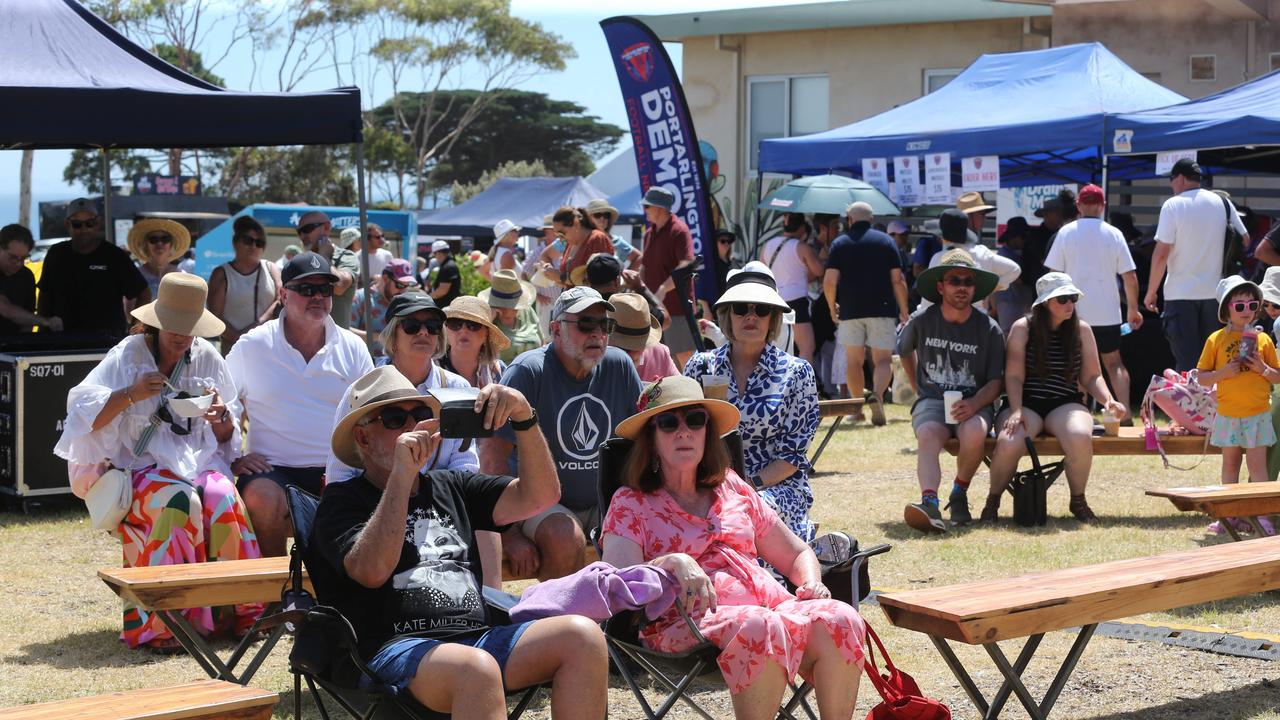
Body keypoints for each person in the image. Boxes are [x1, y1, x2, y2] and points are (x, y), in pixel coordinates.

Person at [312, 366, 607, 718]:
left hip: (478, 638)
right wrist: (402, 479)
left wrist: (525, 418)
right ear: (363, 438)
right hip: (395, 649)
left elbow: (540, 496)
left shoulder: (452, 485)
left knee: (583, 637)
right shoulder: (343, 500)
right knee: (476, 669)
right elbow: (371, 571)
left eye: (419, 414)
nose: (411, 426)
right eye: (393, 418)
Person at [601, 375, 864, 720]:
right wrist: (673, 561)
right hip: (683, 625)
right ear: (651, 438)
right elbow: (617, 584)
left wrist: (811, 582)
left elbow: (796, 553)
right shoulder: (631, 503)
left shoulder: (732, 486)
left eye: (695, 420)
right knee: (761, 625)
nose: (684, 431)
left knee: (841, 618)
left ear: (707, 432)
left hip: (769, 609)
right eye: (668, 423)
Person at [54, 273, 260, 651]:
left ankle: (241, 612)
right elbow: (84, 416)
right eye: (174, 328)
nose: (183, 336)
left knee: (222, 497)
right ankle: (165, 622)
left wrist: (220, 418)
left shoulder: (207, 357)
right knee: (180, 501)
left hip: (196, 462)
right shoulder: (129, 355)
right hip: (140, 467)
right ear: (155, 322)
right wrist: (131, 394)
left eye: (190, 329)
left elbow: (228, 436)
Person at [480, 287, 643, 581]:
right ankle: (554, 625)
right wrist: (509, 533)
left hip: (603, 502)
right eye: (585, 324)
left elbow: (641, 441)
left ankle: (621, 625)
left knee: (650, 527)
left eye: (604, 325)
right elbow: (493, 456)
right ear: (556, 330)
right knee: (564, 537)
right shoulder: (528, 371)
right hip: (540, 502)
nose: (597, 333)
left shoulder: (620, 366)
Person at [226, 252, 373, 556]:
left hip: (339, 468)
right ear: (283, 294)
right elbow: (224, 402)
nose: (318, 297)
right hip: (272, 469)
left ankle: (331, 596)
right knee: (262, 500)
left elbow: (371, 413)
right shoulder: (252, 345)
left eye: (325, 289)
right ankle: (277, 595)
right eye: (307, 289)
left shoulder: (353, 346)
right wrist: (233, 457)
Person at [684, 264, 820, 542]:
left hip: (775, 487)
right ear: (727, 315)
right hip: (705, 484)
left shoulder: (797, 373)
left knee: (742, 516)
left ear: (773, 319)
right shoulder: (701, 366)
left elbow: (792, 456)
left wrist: (747, 486)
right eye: (741, 308)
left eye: (761, 309)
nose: (751, 316)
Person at [985, 273, 1125, 524]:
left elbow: (1093, 376)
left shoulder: (1082, 329)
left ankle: (1078, 500)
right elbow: (1014, 376)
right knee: (1009, 441)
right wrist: (1016, 410)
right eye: (1062, 299)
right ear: (1045, 303)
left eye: (1072, 298)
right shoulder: (1022, 327)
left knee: (1081, 436)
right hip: (1026, 401)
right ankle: (992, 501)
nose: (1069, 304)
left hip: (1065, 401)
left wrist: (1108, 400)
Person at [897, 249, 1005, 532]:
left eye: (968, 282)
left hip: (976, 401)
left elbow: (996, 382)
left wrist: (974, 404)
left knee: (974, 433)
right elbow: (904, 350)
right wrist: (916, 383)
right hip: (932, 399)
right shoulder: (922, 320)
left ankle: (959, 493)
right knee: (929, 435)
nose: (962, 287)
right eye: (954, 280)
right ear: (940, 287)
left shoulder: (989, 328)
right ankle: (930, 503)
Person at [1044, 184, 1143, 421]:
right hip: (1107, 312)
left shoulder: (1065, 233)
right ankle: (1126, 413)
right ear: (1102, 206)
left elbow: (1052, 275)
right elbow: (1129, 276)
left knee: (1076, 366)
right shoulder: (1114, 233)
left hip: (1072, 312)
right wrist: (1133, 309)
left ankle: (1081, 415)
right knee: (1114, 364)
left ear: (1078, 206)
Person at [1145, 159, 1251, 371]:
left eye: (1172, 181)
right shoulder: (1222, 203)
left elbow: (1161, 255)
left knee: (1187, 363)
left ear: (1181, 179)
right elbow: (1245, 239)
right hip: (1215, 295)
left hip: (1180, 294)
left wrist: (1151, 292)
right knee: (1214, 360)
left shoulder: (1173, 205)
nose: (1172, 186)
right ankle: (1214, 404)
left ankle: (1191, 404)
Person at [1197, 276, 1279, 535]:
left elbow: (1277, 375)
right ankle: (1229, 514)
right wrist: (1224, 373)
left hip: (1257, 413)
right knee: (1230, 466)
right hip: (1229, 413)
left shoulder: (1263, 340)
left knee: (1258, 468)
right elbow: (1202, 377)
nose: (1247, 311)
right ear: (1226, 310)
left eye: (1252, 305)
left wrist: (1262, 369)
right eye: (1239, 306)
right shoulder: (1215, 340)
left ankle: (1261, 515)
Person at [824, 202, 909, 426]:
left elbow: (830, 281)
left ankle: (857, 407)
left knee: (854, 360)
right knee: (882, 360)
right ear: (871, 220)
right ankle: (878, 396)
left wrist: (832, 307)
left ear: (849, 220)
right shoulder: (886, 241)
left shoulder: (839, 244)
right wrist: (904, 309)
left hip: (850, 311)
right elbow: (897, 280)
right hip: (882, 308)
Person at [38, 198, 150, 341]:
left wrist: (135, 330)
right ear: (68, 224)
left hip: (107, 343)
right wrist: (42, 331)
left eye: (90, 223)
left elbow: (143, 291)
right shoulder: (56, 254)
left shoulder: (114, 256)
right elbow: (44, 295)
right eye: (77, 224)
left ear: (99, 223)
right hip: (62, 340)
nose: (84, 229)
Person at [639, 187, 699, 368]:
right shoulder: (649, 234)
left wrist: (663, 289)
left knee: (685, 359)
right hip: (655, 311)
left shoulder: (679, 230)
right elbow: (645, 266)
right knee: (660, 361)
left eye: (647, 206)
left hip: (677, 309)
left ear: (660, 208)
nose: (645, 210)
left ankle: (696, 395)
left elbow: (686, 264)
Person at [923, 209, 1020, 316]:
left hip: (946, 318)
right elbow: (1014, 270)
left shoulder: (938, 257)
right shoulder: (982, 253)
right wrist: (987, 290)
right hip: (978, 317)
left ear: (942, 236)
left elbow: (928, 301)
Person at [758, 211, 824, 367]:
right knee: (806, 346)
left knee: (776, 346)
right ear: (802, 227)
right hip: (795, 301)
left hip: (773, 300)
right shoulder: (802, 247)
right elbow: (819, 271)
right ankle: (802, 384)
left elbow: (762, 270)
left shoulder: (768, 245)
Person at [207, 215, 281, 353]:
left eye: (259, 243)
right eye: (248, 240)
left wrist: (259, 324)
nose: (253, 246)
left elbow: (281, 299)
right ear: (235, 243)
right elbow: (215, 316)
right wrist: (238, 338)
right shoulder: (221, 274)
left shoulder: (271, 269)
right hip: (233, 348)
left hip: (269, 345)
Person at [295, 211, 359, 329]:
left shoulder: (345, 257)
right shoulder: (300, 261)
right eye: (299, 232)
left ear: (326, 228)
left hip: (335, 343)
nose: (302, 236)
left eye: (307, 229)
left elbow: (339, 286)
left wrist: (323, 257)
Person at [0, 224, 61, 335]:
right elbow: (5, 308)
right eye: (13, 257)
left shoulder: (26, 276)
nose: (18, 263)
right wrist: (45, 321)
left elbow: (27, 322)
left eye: (23, 258)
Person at [351, 258, 419, 356]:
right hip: (367, 362)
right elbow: (346, 331)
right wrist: (381, 337)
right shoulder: (361, 298)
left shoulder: (403, 302)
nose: (403, 291)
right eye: (399, 285)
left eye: (406, 286)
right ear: (385, 278)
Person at [441, 296, 509, 388]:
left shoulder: (498, 370)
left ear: (486, 334)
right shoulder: (430, 369)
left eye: (473, 325)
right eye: (455, 323)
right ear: (446, 330)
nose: (463, 330)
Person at [610, 291, 679, 381]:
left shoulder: (659, 353)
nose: (628, 355)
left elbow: (681, 388)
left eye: (635, 346)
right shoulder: (594, 358)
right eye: (623, 347)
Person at [479, 269, 543, 363]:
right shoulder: (488, 321)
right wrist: (489, 322)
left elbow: (542, 343)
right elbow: (478, 353)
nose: (514, 309)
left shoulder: (527, 310)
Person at [546, 206, 614, 288]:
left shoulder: (597, 239)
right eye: (557, 235)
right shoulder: (570, 243)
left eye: (561, 233)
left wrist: (561, 277)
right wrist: (550, 271)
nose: (560, 239)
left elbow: (600, 280)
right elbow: (544, 255)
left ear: (576, 224)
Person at [992, 217, 1034, 335]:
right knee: (1009, 337)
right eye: (1023, 236)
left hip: (1022, 304)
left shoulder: (1025, 252)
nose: (1026, 240)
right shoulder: (1003, 256)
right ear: (1015, 237)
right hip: (1008, 305)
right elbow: (1018, 278)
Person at [128, 219, 190, 298]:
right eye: (153, 239)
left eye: (165, 239)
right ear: (146, 245)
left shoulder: (181, 276)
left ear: (171, 245)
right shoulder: (135, 276)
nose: (159, 243)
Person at [586, 198, 642, 269]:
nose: (602, 218)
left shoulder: (616, 241)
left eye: (606, 215)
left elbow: (639, 257)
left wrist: (624, 275)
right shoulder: (582, 239)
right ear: (589, 218)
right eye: (597, 215)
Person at [429, 240, 462, 309]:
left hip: (446, 308)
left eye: (434, 254)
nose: (435, 257)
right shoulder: (449, 265)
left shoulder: (447, 267)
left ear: (438, 253)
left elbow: (442, 291)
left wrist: (427, 298)